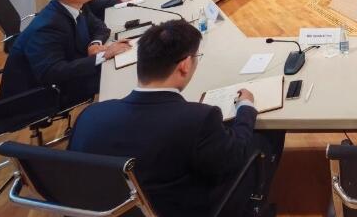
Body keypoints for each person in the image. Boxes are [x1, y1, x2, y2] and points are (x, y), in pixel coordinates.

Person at [69, 20, 285, 216]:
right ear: (185, 65)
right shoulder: (198, 118)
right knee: (265, 137)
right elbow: (233, 157)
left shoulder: (90, 116)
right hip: (180, 208)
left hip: (113, 211)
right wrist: (246, 108)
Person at [0, 0, 131, 106]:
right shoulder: (47, 27)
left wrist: (95, 44)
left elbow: (100, 27)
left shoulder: (76, 5)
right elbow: (52, 72)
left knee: (125, 63)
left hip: (73, 66)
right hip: (44, 93)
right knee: (123, 77)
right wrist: (104, 55)